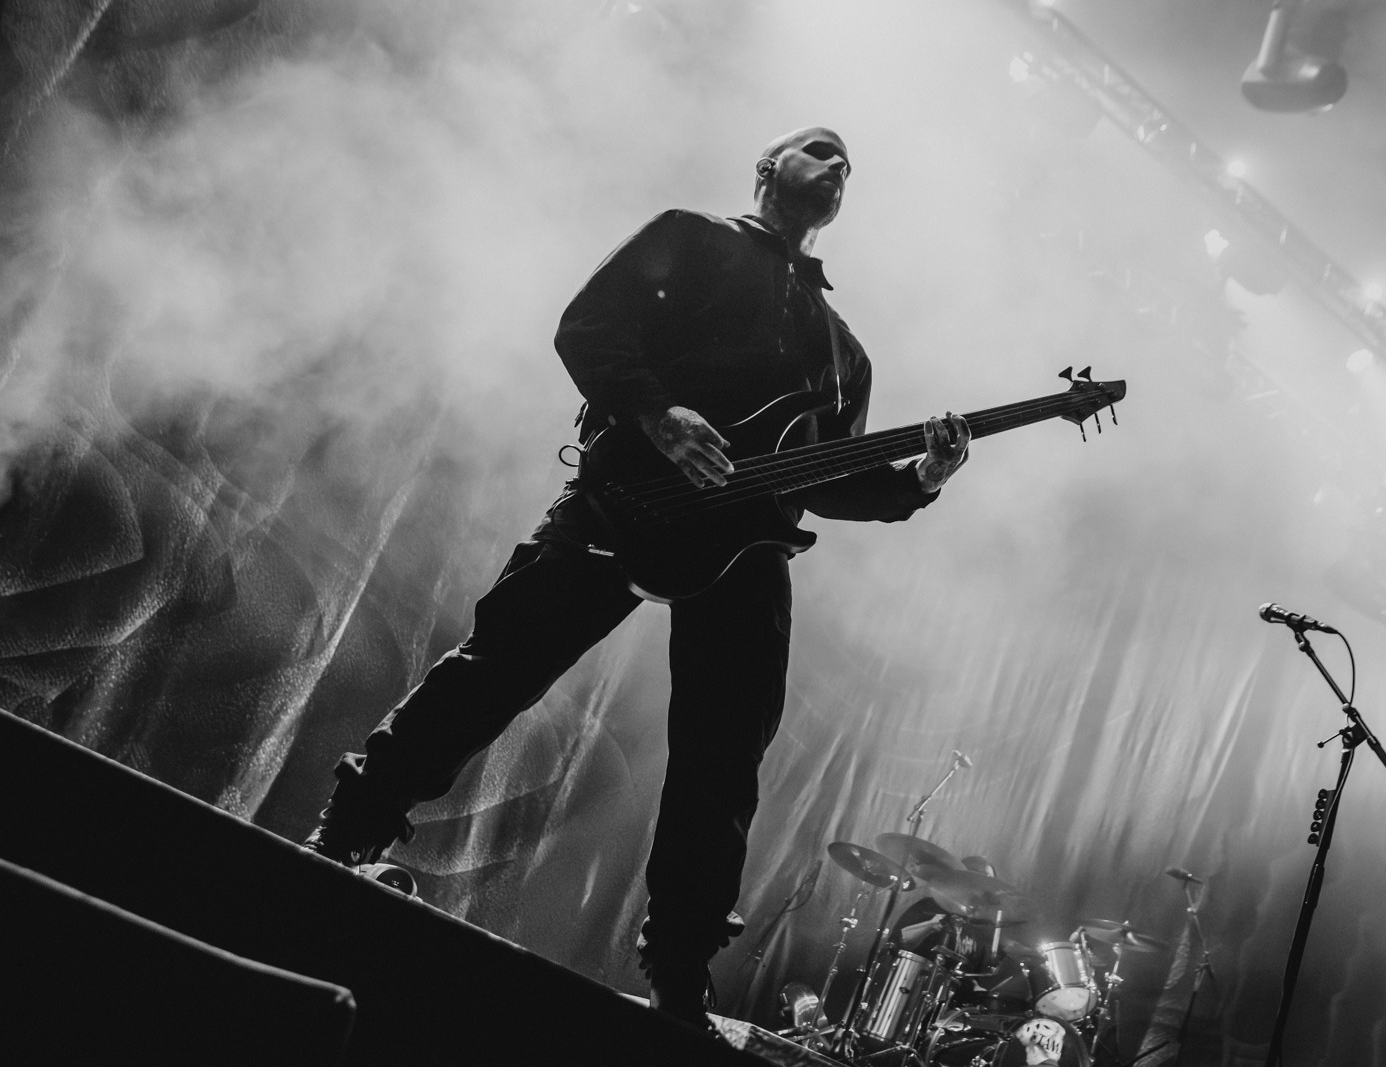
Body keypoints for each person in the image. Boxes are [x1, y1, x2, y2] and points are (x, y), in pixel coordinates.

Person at [302, 126, 972, 1028]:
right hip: (627, 497)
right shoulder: (690, 236)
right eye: (821, 150)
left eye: (849, 165)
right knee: (499, 664)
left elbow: (830, 477)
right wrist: (659, 417)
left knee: (722, 759)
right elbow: (588, 328)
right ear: (767, 166)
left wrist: (921, 477)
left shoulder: (843, 351)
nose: (839, 167)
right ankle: (349, 828)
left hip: (748, 550)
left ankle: (680, 967)